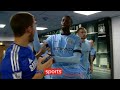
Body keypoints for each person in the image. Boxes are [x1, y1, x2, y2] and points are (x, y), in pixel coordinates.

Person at [0, 12, 53, 79]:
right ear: (29, 29)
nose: (35, 29)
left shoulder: (26, 47)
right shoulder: (12, 58)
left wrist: (40, 53)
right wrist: (41, 72)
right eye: (34, 25)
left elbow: (27, 63)